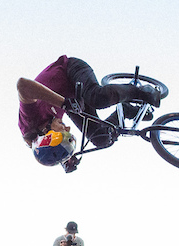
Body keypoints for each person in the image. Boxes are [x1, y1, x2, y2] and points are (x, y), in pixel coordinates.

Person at [17, 56, 161, 170]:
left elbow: (22, 85)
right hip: (72, 100)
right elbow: (51, 150)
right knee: (100, 138)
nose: (67, 128)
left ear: (48, 134)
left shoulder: (30, 119)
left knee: (96, 98)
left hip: (69, 71)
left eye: (63, 133)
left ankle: (142, 91)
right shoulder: (44, 140)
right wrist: (66, 158)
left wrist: (64, 103)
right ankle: (126, 110)